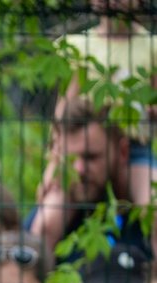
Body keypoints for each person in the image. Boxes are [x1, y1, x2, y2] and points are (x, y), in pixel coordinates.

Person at [56, 1, 156, 238]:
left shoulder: (151, 46)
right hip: (83, 150)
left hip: (135, 150)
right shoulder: (78, 46)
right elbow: (63, 111)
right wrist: (54, 161)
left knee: (152, 208)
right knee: (49, 218)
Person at [30, 96, 150, 260]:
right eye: (70, 159)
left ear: (123, 152)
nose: (79, 169)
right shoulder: (51, 221)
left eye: (91, 157)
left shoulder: (145, 211)